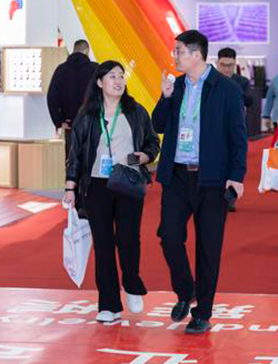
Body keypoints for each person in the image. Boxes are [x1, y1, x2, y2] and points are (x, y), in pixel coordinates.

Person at [153, 30, 247, 334]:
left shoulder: (226, 89)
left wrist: (236, 176)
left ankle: (203, 312)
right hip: (177, 175)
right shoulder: (177, 86)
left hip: (212, 178)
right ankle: (186, 290)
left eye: (179, 51)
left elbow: (238, 136)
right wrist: (165, 97)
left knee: (208, 246)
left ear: (196, 54)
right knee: (169, 236)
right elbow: (157, 124)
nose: (175, 56)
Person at [63, 61, 160, 323]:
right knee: (103, 244)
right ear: (99, 82)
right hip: (96, 185)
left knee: (129, 239)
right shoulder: (87, 115)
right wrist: (70, 185)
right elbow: (76, 152)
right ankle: (108, 304)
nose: (118, 81)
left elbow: (153, 142)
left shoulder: (135, 111)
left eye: (120, 76)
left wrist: (144, 156)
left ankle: (132, 285)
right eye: (112, 76)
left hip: (128, 182)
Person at [48, 40, 99, 161]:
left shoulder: (61, 70)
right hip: (93, 122)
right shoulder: (96, 69)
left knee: (72, 160)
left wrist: (59, 121)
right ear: (87, 51)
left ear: (74, 50)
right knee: (93, 160)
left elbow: (51, 97)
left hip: (70, 123)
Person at [216, 47, 252, 212]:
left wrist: (232, 89)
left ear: (235, 64)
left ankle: (230, 198)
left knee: (235, 161)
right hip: (214, 128)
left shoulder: (241, 82)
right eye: (223, 65)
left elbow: (250, 100)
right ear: (217, 63)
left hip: (236, 128)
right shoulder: (210, 80)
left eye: (230, 65)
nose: (226, 69)